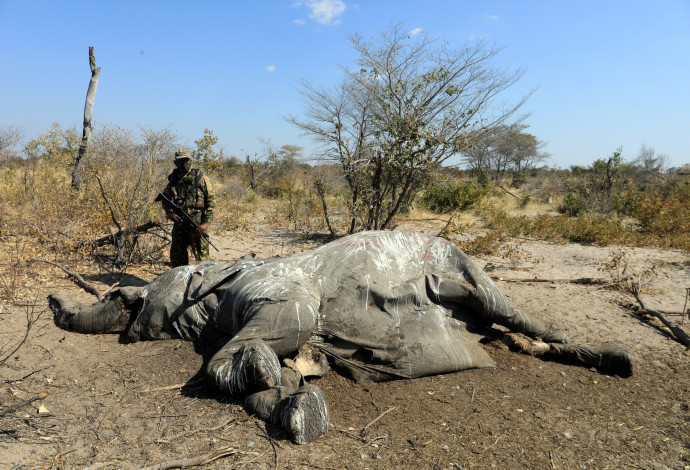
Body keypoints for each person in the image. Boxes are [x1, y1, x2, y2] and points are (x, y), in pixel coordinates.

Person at [160, 149, 215, 267]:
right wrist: (169, 214)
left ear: (191, 161)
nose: (184, 163)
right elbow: (165, 199)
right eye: (181, 161)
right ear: (175, 163)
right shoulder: (173, 179)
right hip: (179, 224)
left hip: (197, 224)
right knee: (177, 258)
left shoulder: (200, 178)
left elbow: (210, 201)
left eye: (186, 160)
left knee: (203, 260)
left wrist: (206, 223)